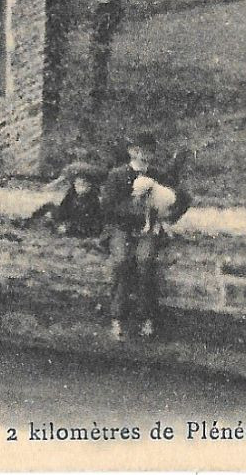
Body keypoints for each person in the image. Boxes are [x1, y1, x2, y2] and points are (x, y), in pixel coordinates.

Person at [100, 130, 191, 340]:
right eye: (139, 150)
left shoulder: (158, 175)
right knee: (121, 261)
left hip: (148, 230)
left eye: (149, 151)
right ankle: (117, 318)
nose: (143, 155)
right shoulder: (117, 175)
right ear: (131, 151)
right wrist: (136, 211)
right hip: (121, 228)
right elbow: (107, 207)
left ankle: (146, 317)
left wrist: (168, 216)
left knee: (145, 261)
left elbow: (183, 198)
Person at [27, 159, 106, 239]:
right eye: (77, 184)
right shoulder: (71, 194)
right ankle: (29, 222)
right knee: (49, 206)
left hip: (82, 226)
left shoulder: (92, 200)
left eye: (84, 184)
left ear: (90, 186)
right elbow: (63, 208)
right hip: (68, 220)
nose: (79, 187)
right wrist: (54, 215)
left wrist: (68, 226)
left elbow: (85, 220)